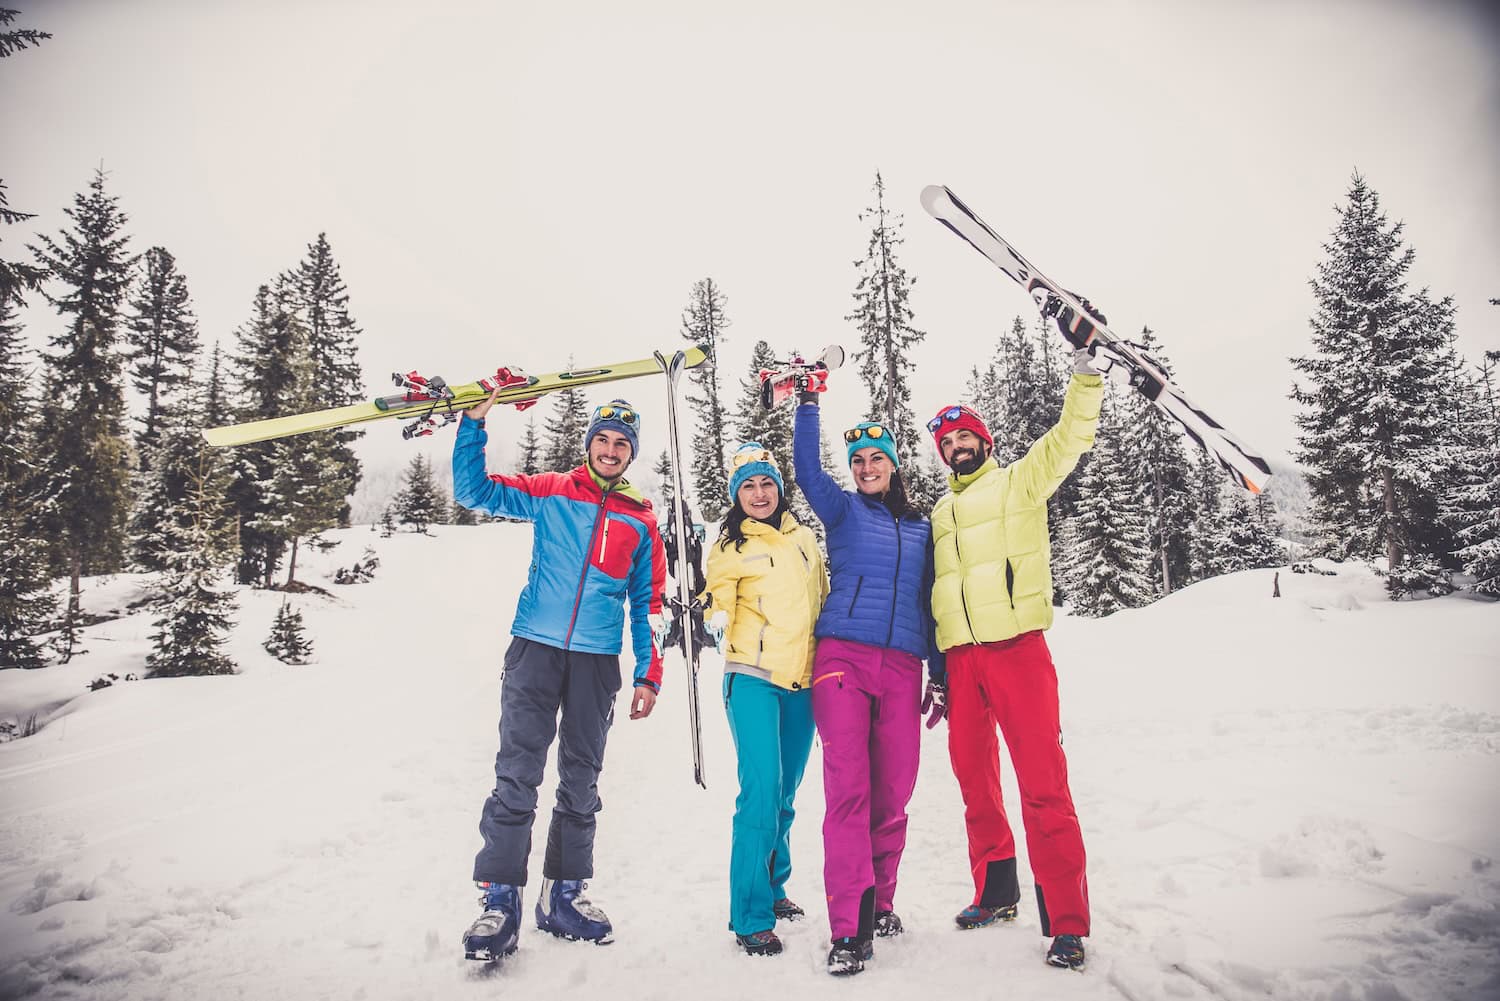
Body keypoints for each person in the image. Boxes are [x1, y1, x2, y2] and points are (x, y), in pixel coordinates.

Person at [924, 300, 1106, 973]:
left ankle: (1066, 920)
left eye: (964, 436)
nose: (955, 446)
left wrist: (1084, 372)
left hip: (1019, 652)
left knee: (1041, 783)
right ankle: (995, 890)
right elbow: (934, 591)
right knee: (975, 779)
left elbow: (1069, 439)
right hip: (963, 663)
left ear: (984, 440)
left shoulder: (1019, 484)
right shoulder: (940, 511)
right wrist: (939, 665)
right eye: (946, 443)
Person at [452, 392, 666, 961]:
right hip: (536, 651)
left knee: (581, 779)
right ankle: (500, 900)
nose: (611, 450)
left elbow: (648, 604)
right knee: (516, 773)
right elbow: (474, 491)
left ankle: (563, 897)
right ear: (589, 443)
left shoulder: (641, 520)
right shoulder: (552, 491)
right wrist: (474, 425)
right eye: (603, 440)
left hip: (596, 661)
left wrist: (649, 673)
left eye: (622, 444)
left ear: (631, 453)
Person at [792, 380, 943, 977]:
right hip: (842, 662)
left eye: (876, 458)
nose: (865, 467)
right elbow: (806, 472)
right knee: (849, 790)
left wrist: (943, 672)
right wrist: (809, 406)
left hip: (904, 665)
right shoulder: (843, 508)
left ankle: (882, 900)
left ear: (895, 465)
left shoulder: (923, 529)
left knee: (895, 790)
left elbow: (934, 601)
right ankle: (850, 926)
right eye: (857, 461)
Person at [701, 442, 827, 958]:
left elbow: (822, 597)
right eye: (748, 485)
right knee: (760, 791)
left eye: (766, 483)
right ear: (737, 493)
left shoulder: (803, 538)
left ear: (778, 487)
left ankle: (775, 889)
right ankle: (750, 915)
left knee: (786, 794)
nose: (758, 493)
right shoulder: (729, 545)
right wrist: (711, 614)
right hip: (751, 677)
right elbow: (717, 595)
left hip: (802, 680)